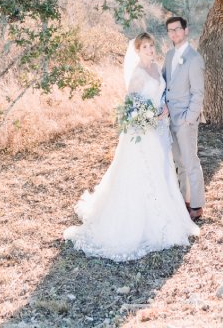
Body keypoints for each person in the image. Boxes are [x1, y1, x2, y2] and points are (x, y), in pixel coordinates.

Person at [63, 32, 200, 261]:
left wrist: (164, 108)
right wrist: (148, 118)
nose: (149, 50)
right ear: (137, 50)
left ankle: (170, 216)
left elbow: (161, 94)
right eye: (144, 47)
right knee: (142, 173)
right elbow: (132, 108)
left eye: (151, 45)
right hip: (142, 132)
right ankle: (140, 223)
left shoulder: (157, 67)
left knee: (163, 171)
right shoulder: (137, 75)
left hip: (160, 128)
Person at [162, 16, 205, 221]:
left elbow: (198, 93)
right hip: (170, 118)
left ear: (186, 31)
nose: (174, 34)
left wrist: (189, 118)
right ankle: (183, 199)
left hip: (186, 120)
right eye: (170, 30)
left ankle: (197, 205)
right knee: (178, 161)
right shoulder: (169, 55)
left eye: (177, 29)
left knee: (190, 161)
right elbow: (164, 84)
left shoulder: (194, 59)